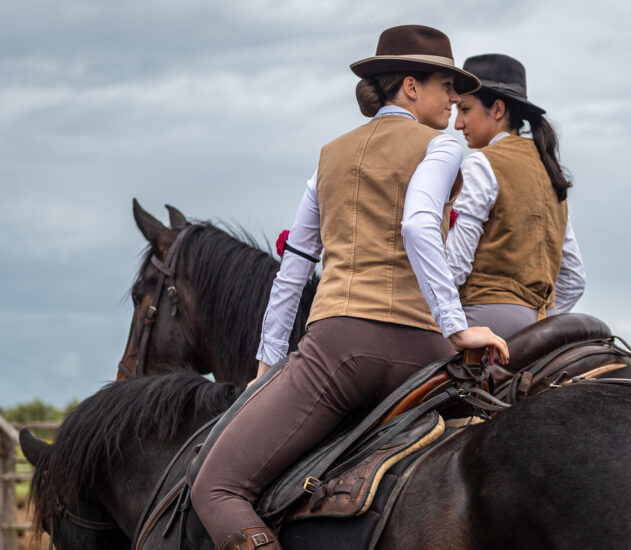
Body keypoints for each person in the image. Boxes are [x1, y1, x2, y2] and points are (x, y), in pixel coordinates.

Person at [190, 25, 509, 550]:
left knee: (217, 488)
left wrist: (267, 368)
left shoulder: (330, 155)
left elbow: (296, 262)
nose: (455, 99)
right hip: (425, 356)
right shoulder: (442, 147)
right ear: (411, 86)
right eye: (447, 86)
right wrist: (456, 330)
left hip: (339, 353)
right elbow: (419, 225)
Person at [447, 53, 586, 339]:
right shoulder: (550, 170)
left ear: (498, 109)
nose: (458, 124)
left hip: (483, 317)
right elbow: (574, 280)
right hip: (543, 325)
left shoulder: (481, 164)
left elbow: (456, 266)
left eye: (465, 109)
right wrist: (538, 326)